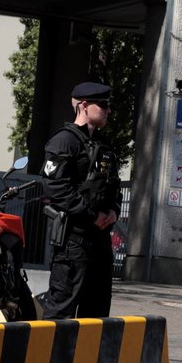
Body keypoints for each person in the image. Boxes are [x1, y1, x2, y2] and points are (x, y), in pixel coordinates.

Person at [40, 81, 122, 319]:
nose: (108, 110)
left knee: (96, 310)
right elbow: (56, 187)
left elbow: (113, 186)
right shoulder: (64, 141)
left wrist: (113, 211)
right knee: (62, 306)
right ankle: (52, 357)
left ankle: (86, 358)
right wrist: (92, 215)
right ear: (84, 106)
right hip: (73, 239)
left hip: (100, 238)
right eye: (103, 105)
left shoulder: (103, 145)